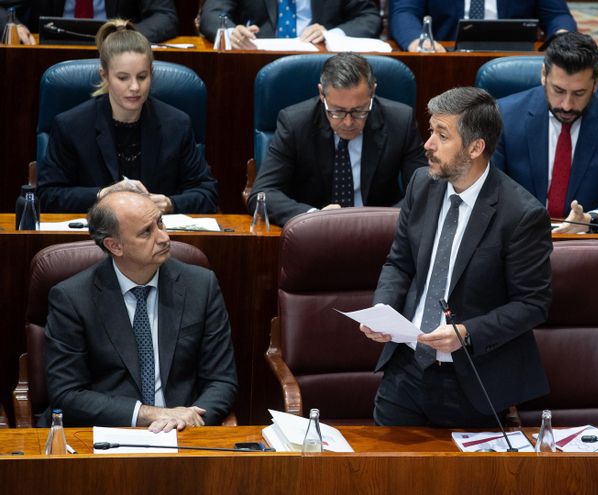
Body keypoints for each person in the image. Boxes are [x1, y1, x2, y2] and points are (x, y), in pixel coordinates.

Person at [359, 87, 552, 427]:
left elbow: (533, 304)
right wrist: (382, 309)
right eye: (431, 130)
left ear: (476, 147)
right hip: (405, 369)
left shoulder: (521, 214)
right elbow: (400, 262)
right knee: (382, 476)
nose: (428, 144)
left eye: (442, 135)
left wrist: (466, 332)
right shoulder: (422, 183)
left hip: (472, 380)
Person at [43, 191, 238, 430]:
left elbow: (221, 380)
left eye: (160, 223)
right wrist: (150, 414)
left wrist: (187, 419)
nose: (164, 237)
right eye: (147, 232)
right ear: (114, 246)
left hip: (184, 433)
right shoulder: (72, 298)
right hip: (107, 434)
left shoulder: (200, 285)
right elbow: (67, 394)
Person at [38, 20, 218, 214]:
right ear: (104, 76)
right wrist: (102, 195)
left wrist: (170, 203)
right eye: (123, 78)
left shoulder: (176, 124)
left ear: (151, 74)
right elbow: (47, 195)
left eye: (142, 77)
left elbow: (207, 193)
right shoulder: (71, 125)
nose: (134, 87)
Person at [493, 32, 598, 233]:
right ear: (544, 75)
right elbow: (488, 193)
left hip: (587, 244)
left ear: (596, 83)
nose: (567, 105)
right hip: (518, 237)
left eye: (579, 93)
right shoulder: (505, 116)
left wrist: (590, 220)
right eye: (558, 91)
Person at [248, 53, 427, 226]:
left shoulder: (400, 121)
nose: (348, 122)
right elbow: (263, 194)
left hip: (380, 234)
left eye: (359, 111)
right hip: (313, 235)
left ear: (372, 92)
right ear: (321, 94)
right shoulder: (295, 123)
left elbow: (424, 191)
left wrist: (381, 221)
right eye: (337, 111)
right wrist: (313, 217)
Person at [391, 0, 576, 53]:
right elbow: (404, 12)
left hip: (514, 54)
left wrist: (562, 37)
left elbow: (557, 15)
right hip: (445, 56)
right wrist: (418, 42)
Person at [199, 0, 379, 50]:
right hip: (254, 61)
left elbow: (369, 17)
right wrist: (231, 34)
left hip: (321, 62)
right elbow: (213, 13)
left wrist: (331, 35)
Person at [8, 0, 178, 45]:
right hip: (49, 55)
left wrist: (125, 36)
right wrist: (13, 26)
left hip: (116, 57)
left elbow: (165, 16)